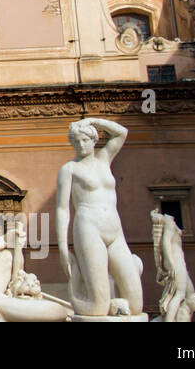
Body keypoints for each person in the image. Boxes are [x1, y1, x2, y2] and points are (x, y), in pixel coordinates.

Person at [56, 117, 143, 316]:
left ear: (94, 140)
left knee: (136, 304)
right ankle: (84, 292)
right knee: (97, 308)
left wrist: (92, 121)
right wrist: (62, 246)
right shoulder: (69, 169)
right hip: (89, 228)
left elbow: (122, 132)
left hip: (115, 231)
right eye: (75, 141)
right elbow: (62, 209)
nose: (80, 145)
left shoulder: (105, 159)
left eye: (85, 140)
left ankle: (113, 303)